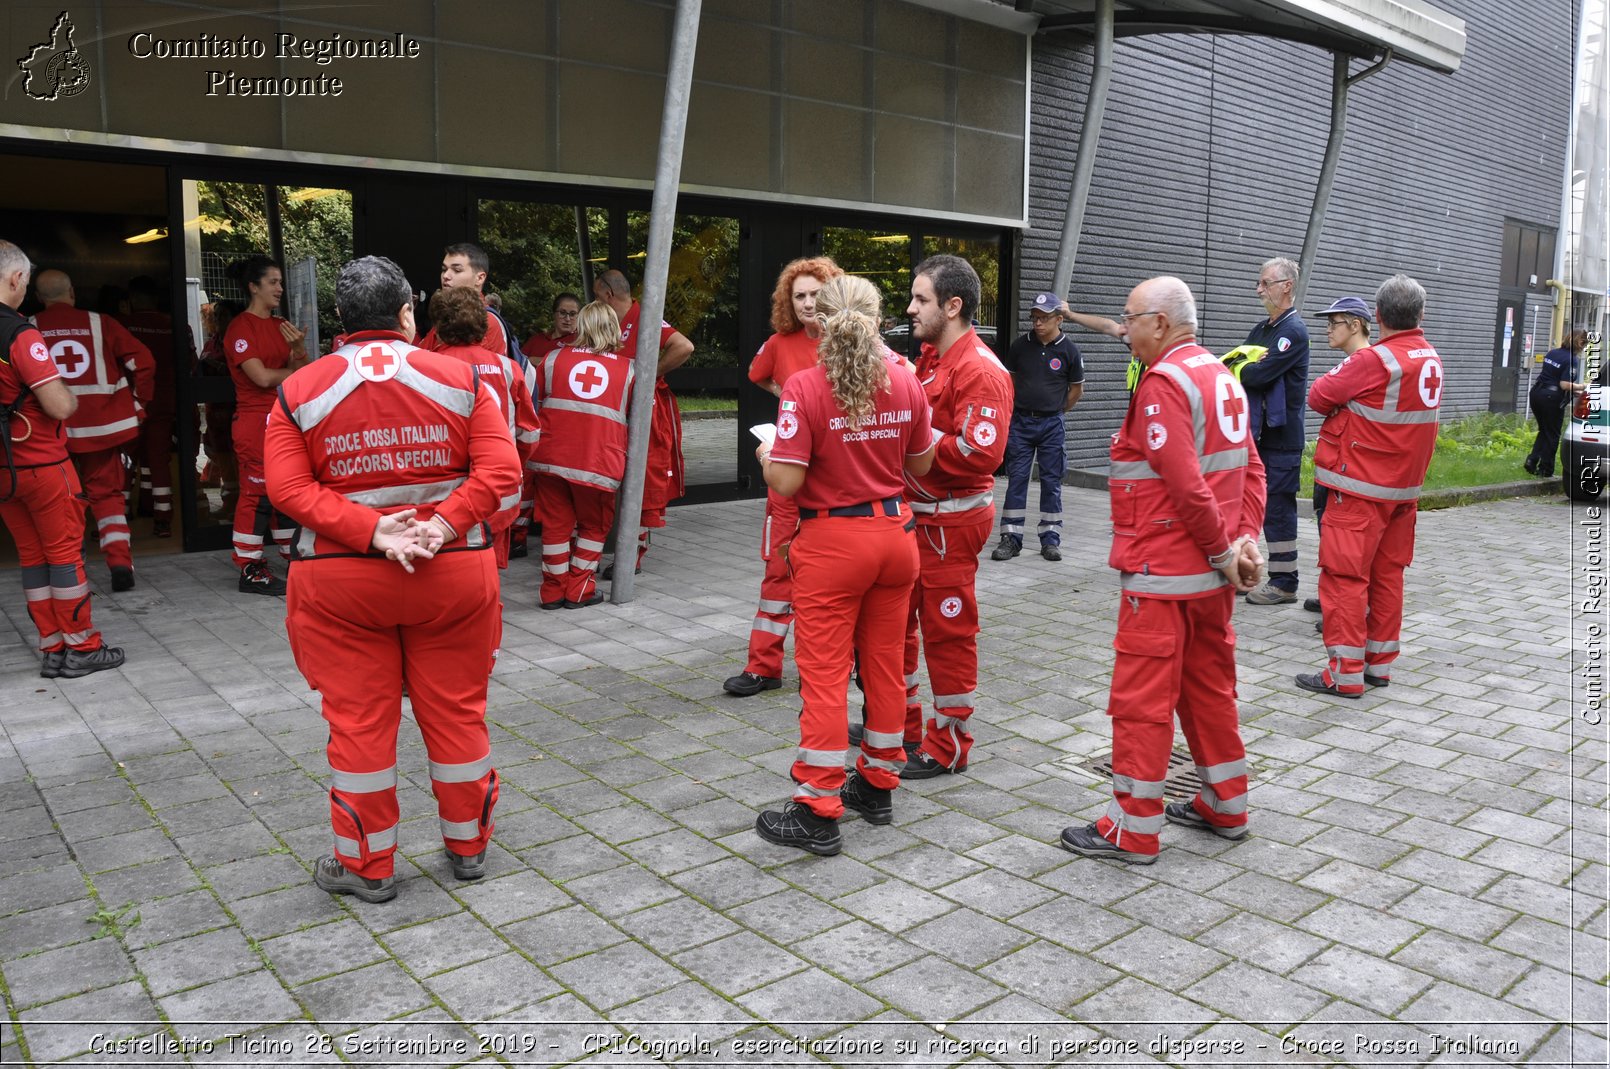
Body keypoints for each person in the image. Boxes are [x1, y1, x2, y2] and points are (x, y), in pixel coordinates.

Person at [265, 255, 520, 904]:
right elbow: (500, 473)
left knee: (358, 724)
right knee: (459, 713)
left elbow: (288, 489)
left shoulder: (297, 391)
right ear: (408, 311)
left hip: (342, 583)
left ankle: (368, 865)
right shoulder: (463, 380)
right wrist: (440, 526)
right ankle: (468, 847)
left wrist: (371, 530)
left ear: (342, 321)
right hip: (453, 575)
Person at [1059, 276, 1266, 865]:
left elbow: (1185, 484)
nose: (1123, 330)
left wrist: (1228, 553)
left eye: (1129, 319)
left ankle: (1132, 828)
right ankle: (1226, 805)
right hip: (1209, 579)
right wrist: (1241, 543)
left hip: (1164, 572)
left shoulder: (1164, 383)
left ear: (1161, 321)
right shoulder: (1222, 377)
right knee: (1209, 691)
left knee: (1142, 699)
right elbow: (1250, 469)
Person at [752, 275, 934, 855]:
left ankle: (818, 805)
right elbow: (923, 462)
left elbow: (787, 479)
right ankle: (877, 783)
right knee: (883, 666)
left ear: (821, 324)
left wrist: (765, 453)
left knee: (825, 674)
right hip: (895, 536)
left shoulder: (804, 386)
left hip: (834, 543)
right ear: (877, 320)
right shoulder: (905, 380)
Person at [1298, 274, 1444, 698]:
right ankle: (1378, 666)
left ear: (1376, 316)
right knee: (1387, 576)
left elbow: (1319, 396)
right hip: (1403, 492)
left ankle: (1343, 675)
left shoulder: (1372, 361)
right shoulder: (1429, 356)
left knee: (1344, 578)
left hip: (1360, 488)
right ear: (1421, 315)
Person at [899, 255, 1014, 778]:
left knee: (947, 633)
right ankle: (898, 725)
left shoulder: (980, 371)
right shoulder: (931, 359)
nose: (910, 308)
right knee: (898, 627)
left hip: (949, 526)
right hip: (917, 520)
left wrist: (913, 446)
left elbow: (979, 452)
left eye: (921, 299)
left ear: (953, 305)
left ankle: (949, 745)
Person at [0, 239, 125, 678]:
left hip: (3, 474)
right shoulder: (18, 333)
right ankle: (84, 648)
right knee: (64, 556)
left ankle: (52, 647)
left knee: (32, 558)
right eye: (25, 282)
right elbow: (59, 405)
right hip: (41, 466)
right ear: (16, 279)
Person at [725, 255, 844, 698]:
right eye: (799, 296)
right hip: (790, 471)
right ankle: (763, 666)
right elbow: (758, 376)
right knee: (778, 569)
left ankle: (833, 666)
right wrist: (789, 396)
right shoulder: (779, 343)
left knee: (832, 576)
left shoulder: (850, 341)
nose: (808, 303)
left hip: (835, 477)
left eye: (816, 294)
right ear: (787, 302)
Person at [31, 269, 154, 592]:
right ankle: (119, 564)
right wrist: (139, 404)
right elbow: (143, 361)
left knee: (60, 500)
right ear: (71, 292)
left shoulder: (28, 328)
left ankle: (70, 566)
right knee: (108, 497)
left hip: (51, 433)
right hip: (103, 428)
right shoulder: (101, 323)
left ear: (39, 298)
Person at [529, 301, 636, 609]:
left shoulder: (551, 359)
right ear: (613, 328)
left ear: (581, 327)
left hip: (551, 457)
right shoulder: (628, 369)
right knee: (593, 526)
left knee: (555, 525)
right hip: (597, 462)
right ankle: (579, 589)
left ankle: (552, 591)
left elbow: (534, 402)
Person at [427, 286, 540, 571]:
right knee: (490, 572)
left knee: (451, 572)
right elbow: (528, 434)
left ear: (438, 327)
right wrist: (514, 466)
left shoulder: (427, 368)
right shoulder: (509, 368)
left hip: (448, 498)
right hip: (499, 495)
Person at [594, 269, 695, 577]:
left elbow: (684, 346)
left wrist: (648, 376)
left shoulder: (645, 317)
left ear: (609, 295)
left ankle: (633, 552)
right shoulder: (611, 321)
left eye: (598, 297)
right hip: (615, 408)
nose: (595, 302)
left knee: (640, 478)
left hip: (643, 411)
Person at [223, 255, 307, 594]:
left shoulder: (280, 325)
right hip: (255, 422)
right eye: (273, 282)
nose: (280, 288)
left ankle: (293, 556)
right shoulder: (240, 328)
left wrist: (298, 350)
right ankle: (249, 567)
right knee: (256, 493)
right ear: (253, 287)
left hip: (283, 419)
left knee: (284, 489)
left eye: (280, 282)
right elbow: (260, 377)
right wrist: (295, 372)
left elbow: (301, 369)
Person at [1236, 257, 1310, 606]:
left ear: (1286, 286)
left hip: (1281, 440)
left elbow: (1254, 375)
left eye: (1264, 283)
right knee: (1250, 504)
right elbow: (1238, 364)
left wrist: (1245, 366)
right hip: (1258, 435)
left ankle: (1284, 583)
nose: (1258, 289)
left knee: (1278, 509)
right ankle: (1245, 571)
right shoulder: (1262, 330)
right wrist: (1244, 365)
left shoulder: (1293, 332)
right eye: (1259, 282)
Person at [992, 291, 1084, 563]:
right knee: (1016, 480)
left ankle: (1051, 539)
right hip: (1020, 422)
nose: (1037, 323)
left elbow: (1076, 391)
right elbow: (1008, 384)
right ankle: (1011, 538)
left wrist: (1055, 410)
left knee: (1051, 482)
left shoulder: (1069, 350)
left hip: (1051, 424)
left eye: (1043, 318)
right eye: (1034, 317)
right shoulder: (1020, 346)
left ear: (1059, 319)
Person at [1303, 296, 1375, 616]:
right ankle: (1331, 596)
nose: (1328, 330)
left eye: (1334, 324)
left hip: (1346, 472)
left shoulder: (1362, 361)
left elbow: (1318, 396)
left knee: (1343, 549)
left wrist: (1332, 396)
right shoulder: (1352, 362)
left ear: (1356, 325)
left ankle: (1343, 608)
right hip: (1335, 467)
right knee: (1330, 541)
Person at [122, 275, 193, 539]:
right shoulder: (176, 326)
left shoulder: (122, 326)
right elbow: (189, 363)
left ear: (132, 299)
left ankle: (121, 514)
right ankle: (163, 519)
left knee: (125, 459)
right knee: (159, 461)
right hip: (164, 402)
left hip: (130, 403)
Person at [1524, 329, 1588, 479]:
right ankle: (1546, 469)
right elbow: (1565, 384)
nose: (1583, 349)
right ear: (1580, 343)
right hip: (1551, 398)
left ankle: (1532, 460)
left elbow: (1552, 377)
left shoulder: (1552, 353)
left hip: (1536, 393)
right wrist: (1582, 386)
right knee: (1553, 434)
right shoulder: (1572, 359)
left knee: (1544, 430)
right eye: (1584, 346)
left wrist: (1573, 392)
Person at [522, 292, 581, 361]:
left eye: (572, 314)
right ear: (554, 314)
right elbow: (518, 361)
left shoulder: (580, 340)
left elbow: (568, 363)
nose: (567, 319)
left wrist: (532, 360)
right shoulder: (536, 339)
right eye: (562, 313)